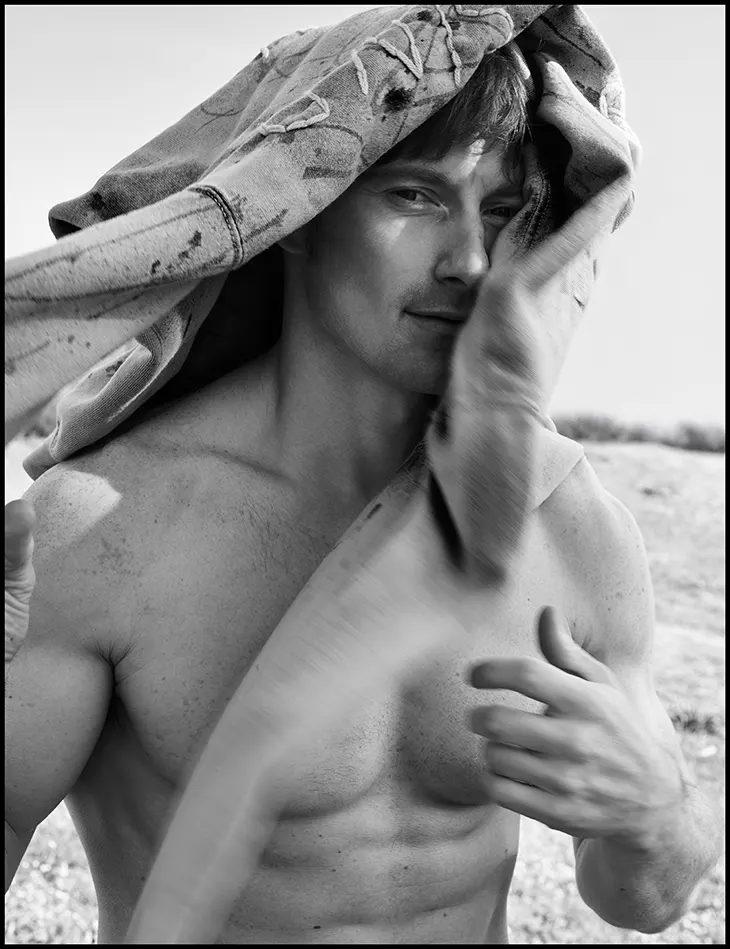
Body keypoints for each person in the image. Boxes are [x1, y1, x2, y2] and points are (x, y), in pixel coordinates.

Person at [5, 44, 722, 945]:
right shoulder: (108, 524)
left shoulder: (570, 526)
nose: (468, 259)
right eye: (416, 197)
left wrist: (660, 809)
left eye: (501, 211)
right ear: (297, 207)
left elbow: (644, 898)